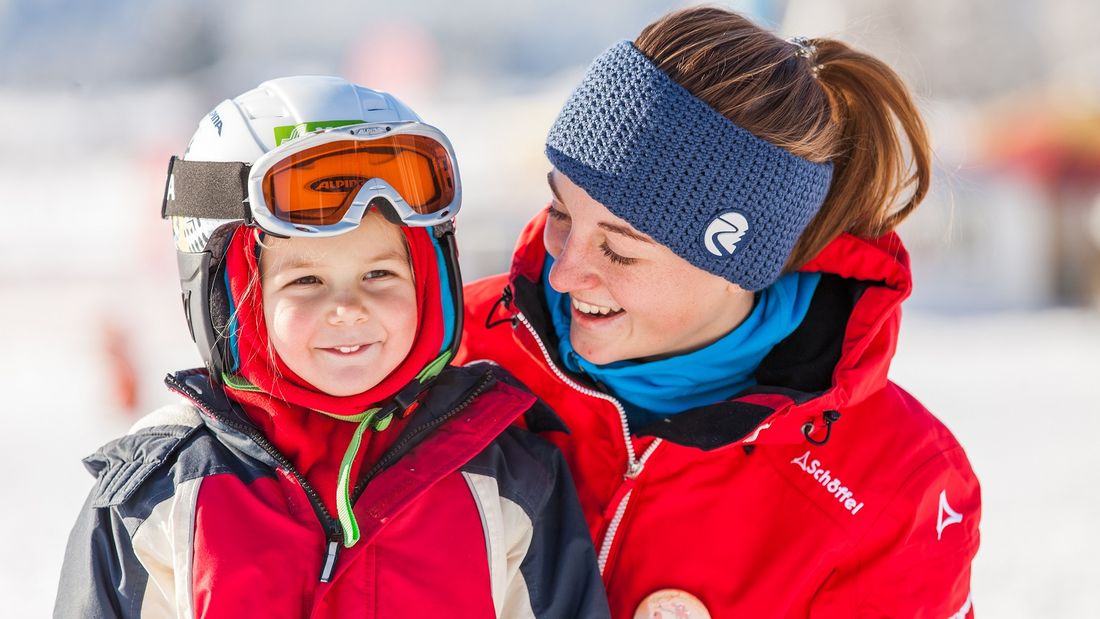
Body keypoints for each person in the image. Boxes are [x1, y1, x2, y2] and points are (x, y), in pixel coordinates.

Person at [457, 7, 980, 618]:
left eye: (620, 249)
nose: (565, 272)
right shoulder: (454, 348)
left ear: (739, 265)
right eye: (563, 213)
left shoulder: (895, 484)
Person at [55, 76, 609, 618]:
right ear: (234, 301)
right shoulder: (160, 497)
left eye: (379, 274)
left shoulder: (506, 475)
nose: (349, 308)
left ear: (429, 283)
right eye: (306, 282)